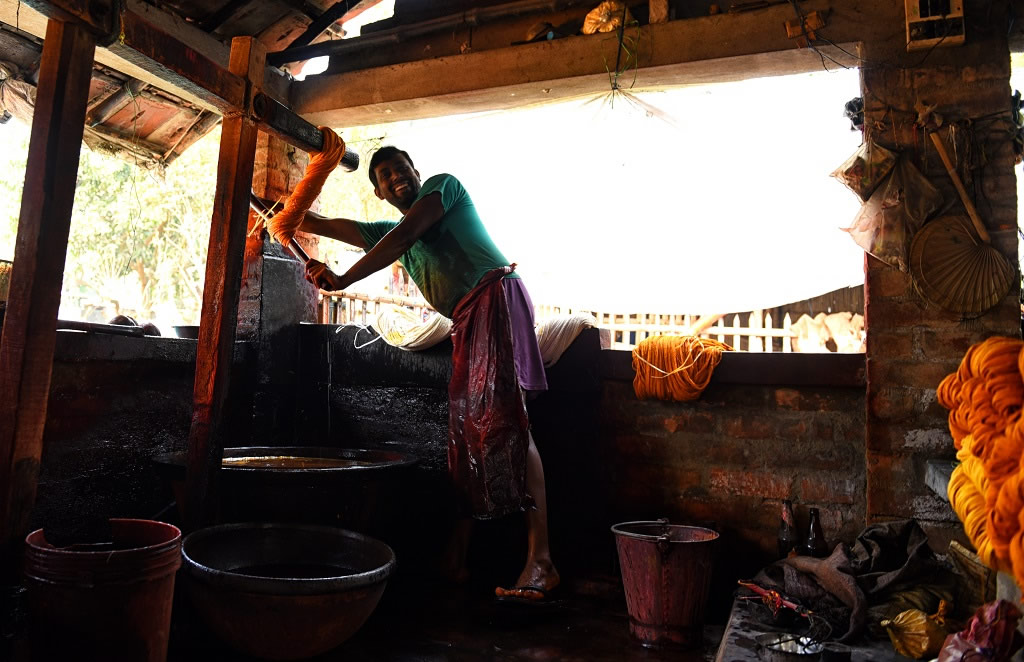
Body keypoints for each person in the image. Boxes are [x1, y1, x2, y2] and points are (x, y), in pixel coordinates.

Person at [279, 146, 559, 603]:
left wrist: (344, 278)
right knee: (468, 435)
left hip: (496, 298)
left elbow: (408, 233)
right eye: (384, 177)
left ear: (416, 172)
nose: (395, 179)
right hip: (469, 319)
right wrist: (281, 211)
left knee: (510, 425)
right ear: (378, 191)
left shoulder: (442, 189)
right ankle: (456, 557)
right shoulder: (386, 232)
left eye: (400, 169)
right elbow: (324, 224)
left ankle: (542, 561)